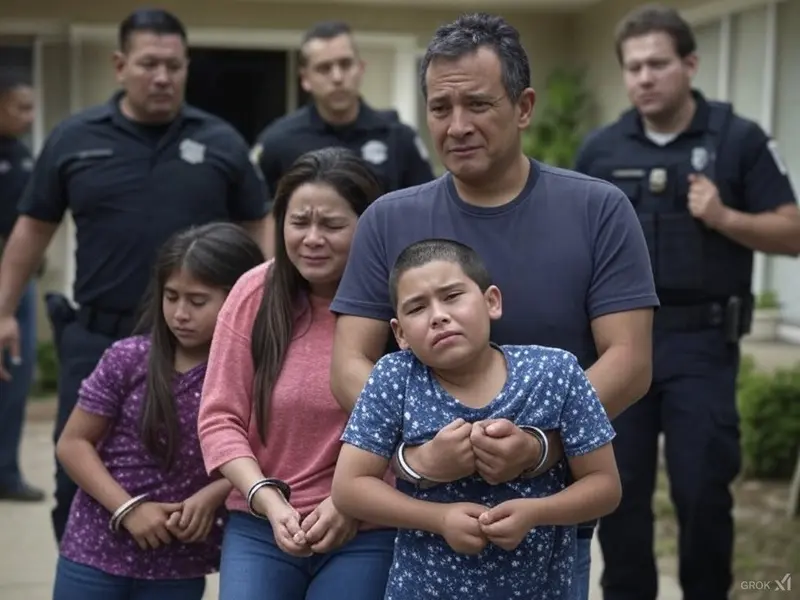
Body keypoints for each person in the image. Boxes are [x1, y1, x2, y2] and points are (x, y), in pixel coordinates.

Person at [328, 12, 659, 599]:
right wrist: (423, 455)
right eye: (440, 109)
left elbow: (629, 360)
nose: (457, 126)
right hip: (426, 529)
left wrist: (540, 447)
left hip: (550, 522)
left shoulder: (598, 210)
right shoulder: (388, 220)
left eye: (478, 105)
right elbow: (350, 365)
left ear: (524, 106)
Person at [0, 8, 270, 542]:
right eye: (149, 64)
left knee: (200, 476)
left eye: (174, 65)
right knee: (75, 474)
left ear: (186, 66)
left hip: (203, 350)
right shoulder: (74, 138)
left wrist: (266, 310)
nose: (162, 76)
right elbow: (33, 229)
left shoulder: (220, 141)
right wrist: (4, 310)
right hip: (101, 336)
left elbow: (259, 224)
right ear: (120, 65)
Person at [572, 5, 800, 600]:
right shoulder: (599, 151)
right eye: (633, 66)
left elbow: (793, 231)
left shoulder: (739, 141)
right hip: (621, 343)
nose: (644, 77)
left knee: (702, 490)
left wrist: (724, 216)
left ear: (690, 64)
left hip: (701, 343)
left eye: (658, 64)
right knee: (617, 488)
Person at [332, 238, 622, 599]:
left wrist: (535, 513)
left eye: (452, 296)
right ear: (400, 334)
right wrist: (438, 519)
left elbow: (605, 486)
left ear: (491, 302)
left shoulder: (555, 372)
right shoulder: (394, 377)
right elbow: (348, 488)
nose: (438, 315)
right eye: (418, 307)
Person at [197, 147, 395, 600]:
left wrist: (351, 500)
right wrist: (266, 500)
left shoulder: (397, 303)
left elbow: (417, 423)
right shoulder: (254, 293)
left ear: (368, 226)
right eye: (298, 221)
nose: (311, 238)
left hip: (368, 529)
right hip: (261, 523)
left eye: (332, 224)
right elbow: (218, 418)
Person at [52, 222, 264, 600]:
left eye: (197, 301)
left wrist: (216, 493)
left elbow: (268, 453)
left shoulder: (252, 375)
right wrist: (129, 509)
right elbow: (73, 444)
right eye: (171, 296)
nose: (180, 313)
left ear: (239, 299)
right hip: (95, 550)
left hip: (178, 560)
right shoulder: (127, 359)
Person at [251, 20, 435, 253]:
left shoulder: (398, 137)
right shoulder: (277, 141)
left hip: (385, 272)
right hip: (306, 273)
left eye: (345, 64)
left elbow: (426, 210)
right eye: (324, 68)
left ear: (360, 68)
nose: (337, 77)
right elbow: (261, 217)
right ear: (305, 78)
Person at [0, 71, 44, 502]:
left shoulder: (23, 155)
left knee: (14, 376)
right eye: (21, 107)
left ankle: (6, 472)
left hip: (20, 285)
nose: (29, 117)